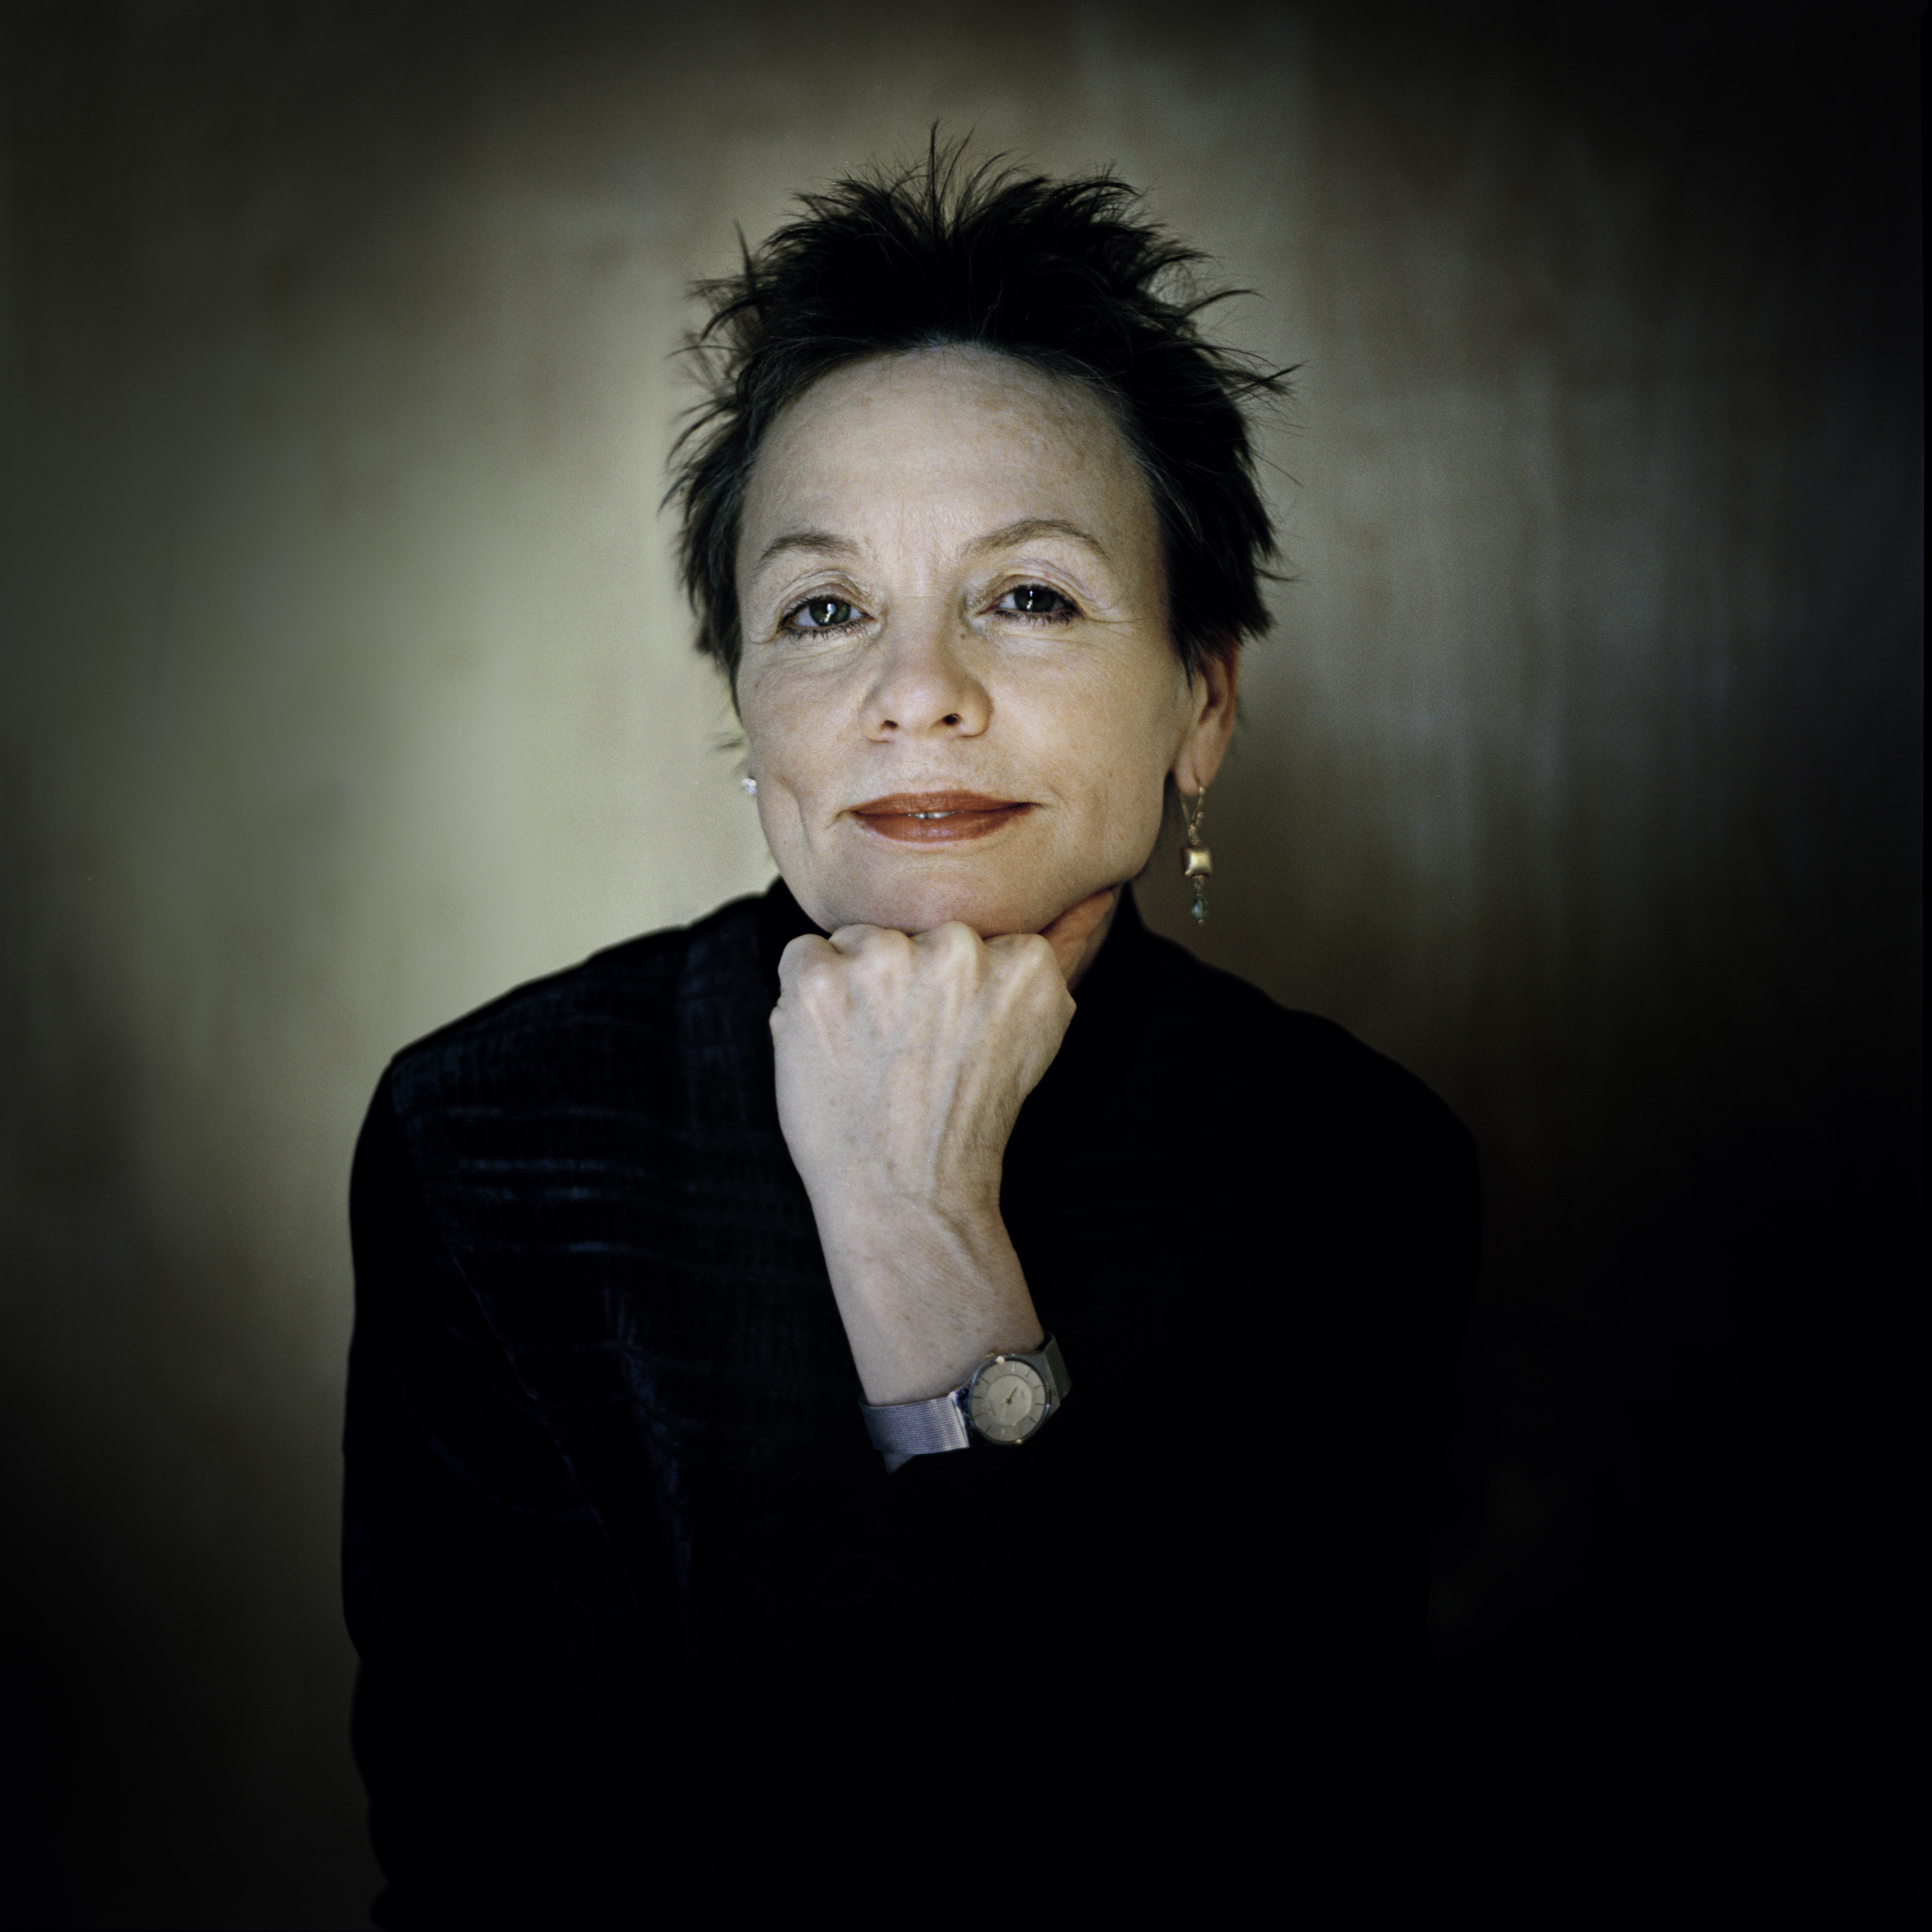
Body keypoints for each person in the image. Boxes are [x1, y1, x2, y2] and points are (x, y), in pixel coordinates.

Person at [343, 147, 1479, 1925]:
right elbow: (499, 1859)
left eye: (1027, 596)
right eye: (823, 610)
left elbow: (1251, 1848)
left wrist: (922, 1234)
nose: (915, 692)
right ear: (748, 712)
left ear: (1201, 702)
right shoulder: (486, 1137)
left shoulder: (1355, 1163)